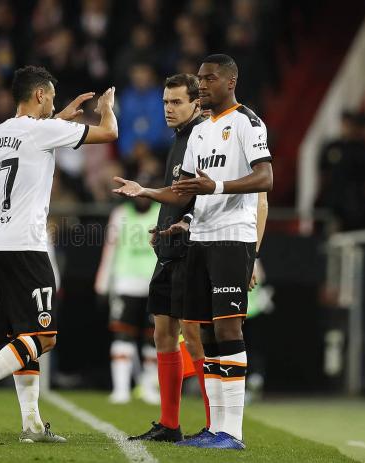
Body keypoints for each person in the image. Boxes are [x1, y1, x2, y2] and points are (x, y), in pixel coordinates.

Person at [0, 65, 117, 442]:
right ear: (40, 95)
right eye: (51, 97)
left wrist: (59, 118)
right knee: (45, 335)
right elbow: (109, 133)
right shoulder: (43, 130)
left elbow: (34, 138)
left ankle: (32, 425)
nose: (54, 103)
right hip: (26, 242)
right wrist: (107, 106)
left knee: (23, 336)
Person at [113, 54, 272, 450]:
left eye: (209, 79)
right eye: (200, 79)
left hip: (231, 239)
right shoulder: (198, 135)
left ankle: (230, 432)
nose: (204, 85)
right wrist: (146, 192)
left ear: (231, 81)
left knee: (224, 331)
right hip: (199, 238)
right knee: (207, 334)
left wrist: (251, 248)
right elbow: (184, 190)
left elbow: (266, 179)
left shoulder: (247, 122)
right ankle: (213, 428)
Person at [127, 73, 211, 443]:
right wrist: (161, 226)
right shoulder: (177, 139)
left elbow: (203, 194)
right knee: (163, 333)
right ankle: (170, 425)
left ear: (196, 102)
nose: (168, 109)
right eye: (165, 102)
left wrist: (186, 220)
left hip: (193, 249)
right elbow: (179, 192)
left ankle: (216, 424)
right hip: (168, 249)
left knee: (193, 336)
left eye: (176, 102)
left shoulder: (204, 137)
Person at [95, 193, 161, 405]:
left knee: (154, 337)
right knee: (123, 334)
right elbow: (110, 248)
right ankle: (121, 389)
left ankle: (149, 387)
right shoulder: (121, 213)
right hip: (125, 281)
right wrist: (103, 282)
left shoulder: (161, 211)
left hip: (154, 282)